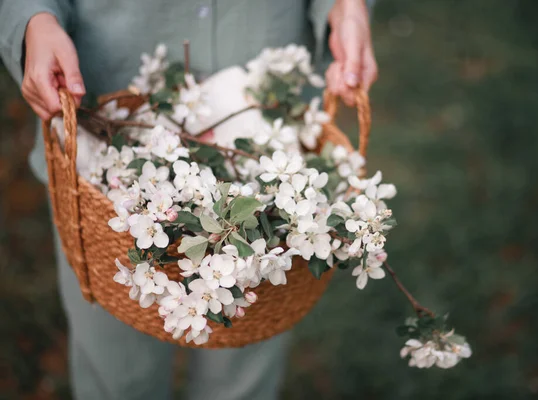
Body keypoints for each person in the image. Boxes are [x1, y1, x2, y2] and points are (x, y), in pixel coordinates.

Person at [0, 1, 378, 399]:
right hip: (106, 91)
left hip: (267, 100)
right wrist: (34, 20)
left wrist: (346, 9)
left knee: (246, 363)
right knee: (117, 370)